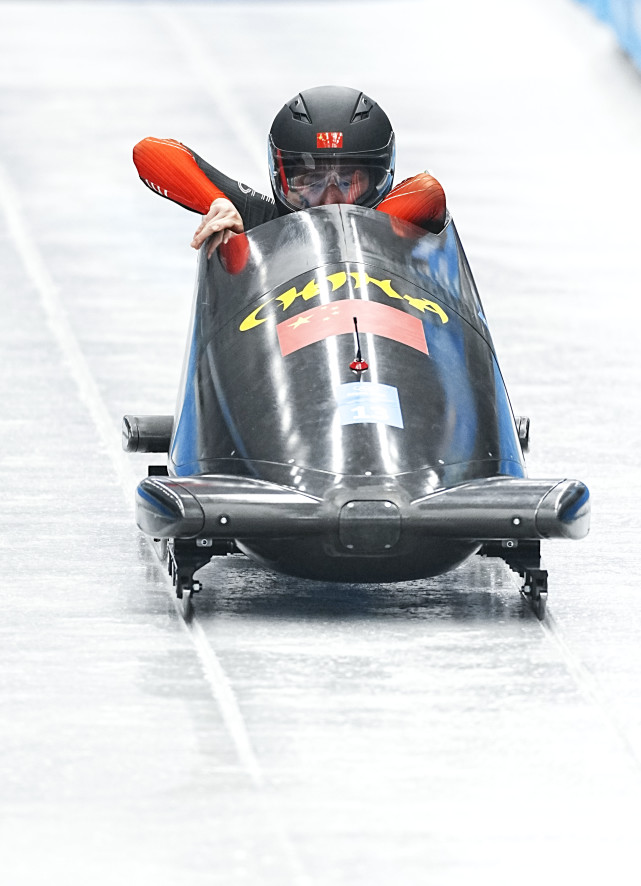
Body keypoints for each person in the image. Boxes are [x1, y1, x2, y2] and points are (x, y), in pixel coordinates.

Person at [133, 85, 447, 257]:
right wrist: (216, 200)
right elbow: (150, 151)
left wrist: (370, 228)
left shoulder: (404, 216)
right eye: (312, 180)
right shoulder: (263, 220)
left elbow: (428, 192)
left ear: (379, 177)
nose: (331, 197)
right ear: (284, 179)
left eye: (349, 180)